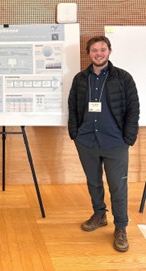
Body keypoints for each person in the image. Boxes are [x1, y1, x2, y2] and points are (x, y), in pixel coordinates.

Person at [68, 36, 140, 252]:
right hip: (87, 140)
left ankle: (121, 227)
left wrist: (128, 138)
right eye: (94, 50)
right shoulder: (80, 79)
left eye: (102, 49)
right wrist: (75, 134)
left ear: (109, 51)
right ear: (88, 53)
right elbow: (73, 107)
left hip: (115, 142)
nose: (98, 53)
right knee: (94, 182)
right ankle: (99, 214)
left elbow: (133, 109)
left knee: (118, 187)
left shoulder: (123, 78)